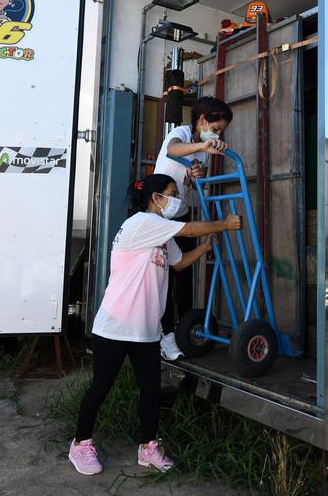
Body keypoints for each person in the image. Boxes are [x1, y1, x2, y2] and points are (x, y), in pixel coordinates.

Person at [69, 174, 242, 476]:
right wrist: (225, 224)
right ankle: (80, 444)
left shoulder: (161, 235)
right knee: (101, 387)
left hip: (146, 331)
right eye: (172, 193)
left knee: (150, 390)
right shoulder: (142, 224)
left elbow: (177, 262)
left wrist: (203, 249)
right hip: (115, 328)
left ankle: (148, 448)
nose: (176, 199)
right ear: (155, 197)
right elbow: (189, 228)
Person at [151, 96, 233, 361]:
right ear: (202, 120)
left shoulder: (201, 150)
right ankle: (166, 338)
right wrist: (205, 144)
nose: (218, 134)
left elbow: (187, 179)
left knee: (184, 275)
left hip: (180, 212)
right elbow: (173, 151)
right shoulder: (182, 133)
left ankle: (186, 332)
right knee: (165, 280)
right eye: (216, 128)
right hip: (161, 214)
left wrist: (193, 176)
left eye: (221, 131)